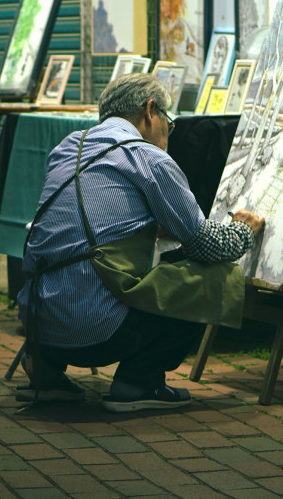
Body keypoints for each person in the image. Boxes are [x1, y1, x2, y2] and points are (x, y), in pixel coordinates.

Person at [17, 73, 265, 412]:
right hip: (98, 335)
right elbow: (207, 246)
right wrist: (243, 229)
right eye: (169, 121)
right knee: (213, 277)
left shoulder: (68, 147)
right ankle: (138, 382)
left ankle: (46, 375)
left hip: (37, 327)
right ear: (150, 111)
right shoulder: (147, 157)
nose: (167, 131)